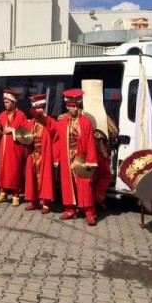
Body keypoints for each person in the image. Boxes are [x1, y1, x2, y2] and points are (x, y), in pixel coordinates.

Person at [53, 90, 98, 225]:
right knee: (67, 184)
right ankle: (70, 210)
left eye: (76, 106)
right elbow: (56, 139)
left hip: (81, 157)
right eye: (71, 106)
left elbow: (90, 142)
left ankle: (89, 213)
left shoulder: (86, 122)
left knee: (85, 185)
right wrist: (57, 158)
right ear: (67, 106)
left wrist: (90, 161)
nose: (74, 108)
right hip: (67, 157)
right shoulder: (61, 122)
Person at [20, 94, 56, 214]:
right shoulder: (31, 122)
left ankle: (46, 203)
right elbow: (23, 134)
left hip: (44, 154)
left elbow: (54, 132)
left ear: (44, 108)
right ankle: (34, 202)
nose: (38, 110)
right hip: (33, 153)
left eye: (40, 107)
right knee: (33, 178)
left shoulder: (50, 121)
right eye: (36, 108)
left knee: (45, 178)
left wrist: (45, 122)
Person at [0, 88, 26, 206]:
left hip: (16, 148)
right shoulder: (2, 115)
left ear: (13, 102)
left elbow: (26, 133)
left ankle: (16, 195)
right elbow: (0, 129)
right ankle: (2, 193)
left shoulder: (21, 115)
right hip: (4, 148)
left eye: (7, 102)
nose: (5, 104)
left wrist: (12, 130)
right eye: (4, 102)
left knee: (15, 170)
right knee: (3, 170)